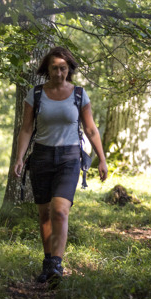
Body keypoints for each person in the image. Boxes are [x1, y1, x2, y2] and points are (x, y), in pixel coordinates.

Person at [13, 46, 108, 284]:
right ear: (47, 69)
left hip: (69, 157)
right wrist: (19, 158)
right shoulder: (35, 94)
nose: (58, 72)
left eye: (63, 68)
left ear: (69, 69)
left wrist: (102, 159)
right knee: (44, 215)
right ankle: (48, 261)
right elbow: (25, 129)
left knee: (59, 210)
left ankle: (56, 263)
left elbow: (90, 129)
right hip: (42, 157)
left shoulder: (78, 94)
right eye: (54, 68)